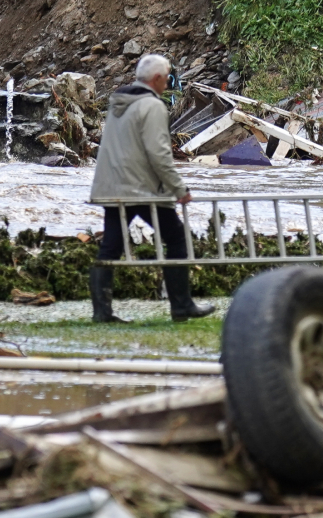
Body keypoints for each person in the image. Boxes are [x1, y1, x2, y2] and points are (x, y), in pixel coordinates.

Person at [88, 54, 216, 322]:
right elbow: (159, 154)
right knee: (177, 238)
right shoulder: (153, 106)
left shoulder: (118, 103)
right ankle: (181, 306)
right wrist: (179, 189)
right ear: (157, 79)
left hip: (112, 187)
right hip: (141, 189)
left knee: (110, 247)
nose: (169, 80)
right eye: (168, 75)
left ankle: (102, 312)